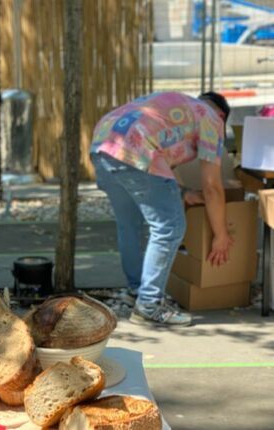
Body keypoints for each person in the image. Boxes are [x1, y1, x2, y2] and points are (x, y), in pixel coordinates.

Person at [90, 91, 233, 327]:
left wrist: (184, 193)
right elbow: (212, 187)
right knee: (170, 227)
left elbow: (158, 173)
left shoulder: (177, 105)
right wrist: (221, 235)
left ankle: (136, 290)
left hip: (103, 144)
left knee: (130, 225)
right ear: (221, 115)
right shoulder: (211, 118)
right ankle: (149, 304)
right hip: (136, 151)